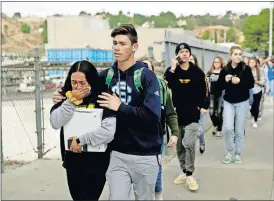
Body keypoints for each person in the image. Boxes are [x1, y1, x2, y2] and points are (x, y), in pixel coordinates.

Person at [97, 24, 162, 200]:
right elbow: (84, 98)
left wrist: (120, 107)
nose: (117, 47)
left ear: (135, 47)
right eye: (115, 43)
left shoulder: (147, 77)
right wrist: (64, 96)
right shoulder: (105, 76)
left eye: (122, 43)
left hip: (145, 155)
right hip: (117, 154)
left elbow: (152, 116)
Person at [50, 60, 116, 200]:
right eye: (74, 82)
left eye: (83, 83)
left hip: (97, 161)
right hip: (73, 159)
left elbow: (108, 131)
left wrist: (81, 141)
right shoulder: (65, 94)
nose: (78, 87)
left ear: (91, 81)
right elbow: (55, 122)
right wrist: (70, 101)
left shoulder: (103, 96)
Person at [164, 43, 207, 191]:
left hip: (193, 114)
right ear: (177, 55)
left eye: (186, 51)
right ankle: (184, 171)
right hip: (177, 114)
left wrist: (203, 106)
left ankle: (190, 173)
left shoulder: (197, 72)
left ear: (190, 54)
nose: (184, 54)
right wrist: (173, 67)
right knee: (180, 145)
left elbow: (205, 90)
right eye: (181, 52)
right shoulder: (172, 72)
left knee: (189, 143)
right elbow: (165, 84)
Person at [139, 56, 179, 200]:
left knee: (156, 168)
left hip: (156, 136)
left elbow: (170, 113)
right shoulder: (131, 88)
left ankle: (158, 196)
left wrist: (174, 133)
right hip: (134, 137)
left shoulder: (162, 87)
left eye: (148, 68)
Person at [217, 45, 254, 164]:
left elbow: (251, 84)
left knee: (239, 129)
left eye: (240, 54)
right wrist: (225, 79)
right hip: (228, 101)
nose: (238, 56)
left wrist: (240, 81)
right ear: (230, 56)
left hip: (242, 102)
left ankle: (237, 154)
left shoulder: (245, 68)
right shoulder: (225, 69)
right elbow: (219, 86)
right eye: (235, 54)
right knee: (228, 127)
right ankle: (229, 152)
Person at [189, 54, 209, 154]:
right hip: (186, 107)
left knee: (199, 129)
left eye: (191, 59)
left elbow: (206, 91)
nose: (189, 60)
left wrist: (205, 106)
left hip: (198, 107)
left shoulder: (200, 74)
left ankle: (202, 142)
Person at [207, 56, 224, 138]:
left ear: (221, 63)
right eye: (215, 62)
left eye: (218, 62)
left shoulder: (224, 72)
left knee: (219, 113)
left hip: (221, 95)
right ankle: (215, 125)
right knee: (211, 112)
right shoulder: (210, 72)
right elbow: (206, 84)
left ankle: (219, 130)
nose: (216, 63)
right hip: (212, 95)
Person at [248, 57, 264, 128]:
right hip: (249, 91)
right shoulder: (245, 70)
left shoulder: (260, 70)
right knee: (251, 106)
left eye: (253, 62)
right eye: (250, 62)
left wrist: (256, 81)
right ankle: (252, 115)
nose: (251, 64)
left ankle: (255, 120)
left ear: (255, 63)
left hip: (258, 90)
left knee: (256, 106)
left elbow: (263, 82)